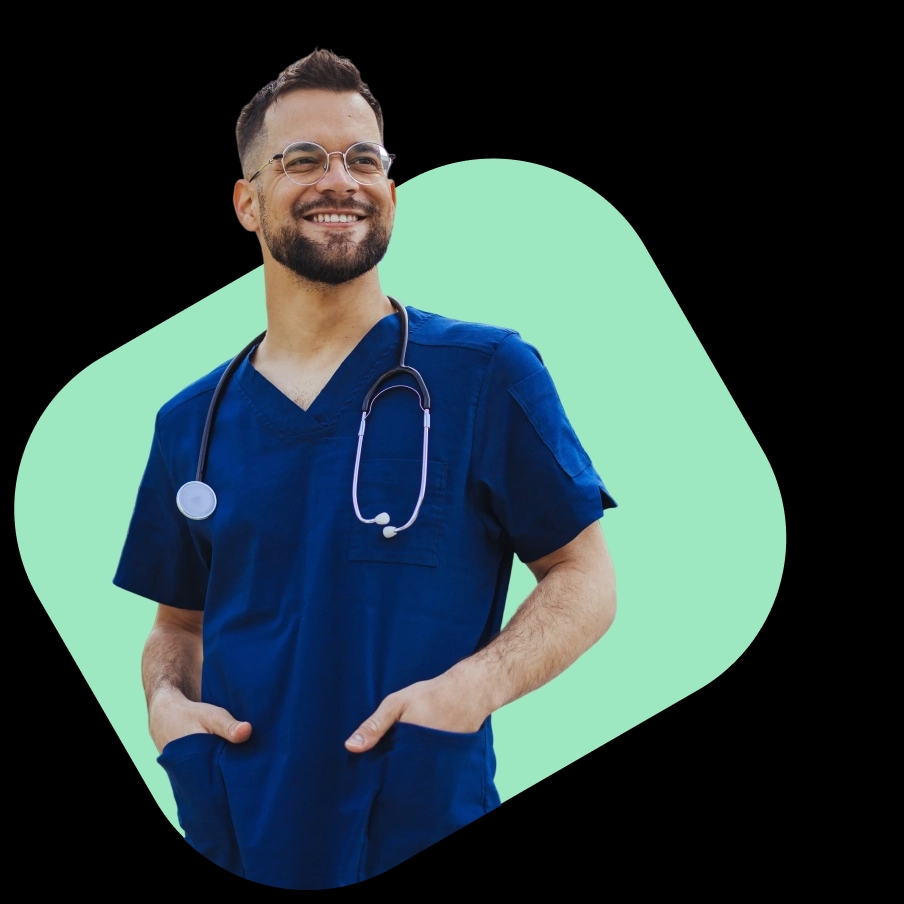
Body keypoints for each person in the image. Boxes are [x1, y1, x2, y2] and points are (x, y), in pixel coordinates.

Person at [113, 49, 618, 890]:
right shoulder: (188, 422)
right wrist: (167, 705)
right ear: (247, 201)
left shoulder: (487, 374)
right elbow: (179, 626)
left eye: (363, 159)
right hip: (237, 834)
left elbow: (584, 575)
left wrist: (472, 689)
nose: (339, 180)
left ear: (391, 189)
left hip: (417, 813)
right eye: (302, 159)